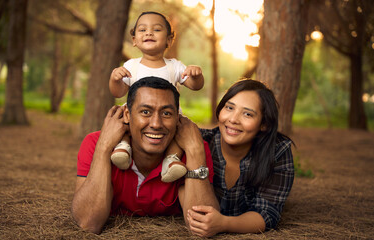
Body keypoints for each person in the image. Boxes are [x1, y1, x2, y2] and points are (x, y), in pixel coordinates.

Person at [71, 77, 219, 234]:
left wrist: (195, 152)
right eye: (145, 112)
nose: (156, 124)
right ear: (127, 114)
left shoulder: (192, 147)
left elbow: (202, 225)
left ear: (178, 118)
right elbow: (88, 223)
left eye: (167, 113)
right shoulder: (96, 143)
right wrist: (104, 147)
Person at [182, 79, 295, 237]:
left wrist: (224, 223)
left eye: (247, 114)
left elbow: (267, 213)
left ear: (264, 124)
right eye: (229, 108)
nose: (233, 119)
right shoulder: (202, 142)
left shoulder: (277, 151)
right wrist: (195, 152)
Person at [109, 11, 204, 183]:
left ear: (169, 40)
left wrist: (196, 76)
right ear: (134, 40)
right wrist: (115, 79)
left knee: (180, 129)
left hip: (167, 116)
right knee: (122, 121)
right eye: (142, 29)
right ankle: (123, 147)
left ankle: (171, 160)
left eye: (156, 29)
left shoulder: (174, 66)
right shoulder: (132, 65)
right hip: (137, 116)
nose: (149, 33)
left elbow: (194, 86)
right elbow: (118, 92)